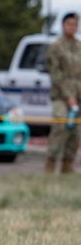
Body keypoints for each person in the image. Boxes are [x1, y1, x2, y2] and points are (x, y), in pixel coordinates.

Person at [44, 12, 81, 174]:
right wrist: (68, 96)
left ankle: (67, 167)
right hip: (61, 96)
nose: (72, 27)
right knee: (60, 127)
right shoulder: (56, 47)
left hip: (78, 97)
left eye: (75, 24)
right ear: (63, 25)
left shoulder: (79, 47)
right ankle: (50, 167)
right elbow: (55, 74)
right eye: (69, 24)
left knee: (76, 132)